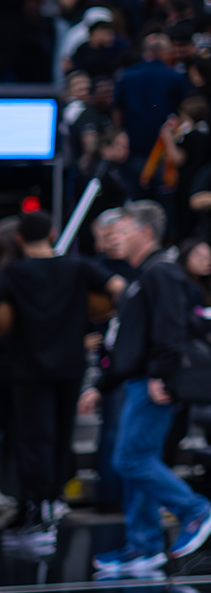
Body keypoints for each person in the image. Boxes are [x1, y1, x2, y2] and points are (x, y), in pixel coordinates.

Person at [83, 201, 211, 579]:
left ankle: (195, 509)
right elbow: (134, 338)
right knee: (137, 462)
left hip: (152, 383)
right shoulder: (147, 273)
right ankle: (142, 545)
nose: (115, 238)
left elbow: (170, 329)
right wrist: (104, 385)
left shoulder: (161, 272)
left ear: (145, 232)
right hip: (139, 380)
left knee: (131, 460)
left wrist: (161, 375)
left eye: (122, 230)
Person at [0, 211, 94, 550]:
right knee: (57, 437)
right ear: (53, 233)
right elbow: (116, 289)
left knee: (31, 441)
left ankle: (37, 511)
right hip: (66, 365)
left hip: (25, 371)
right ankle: (49, 505)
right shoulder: (75, 268)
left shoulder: (14, 274)